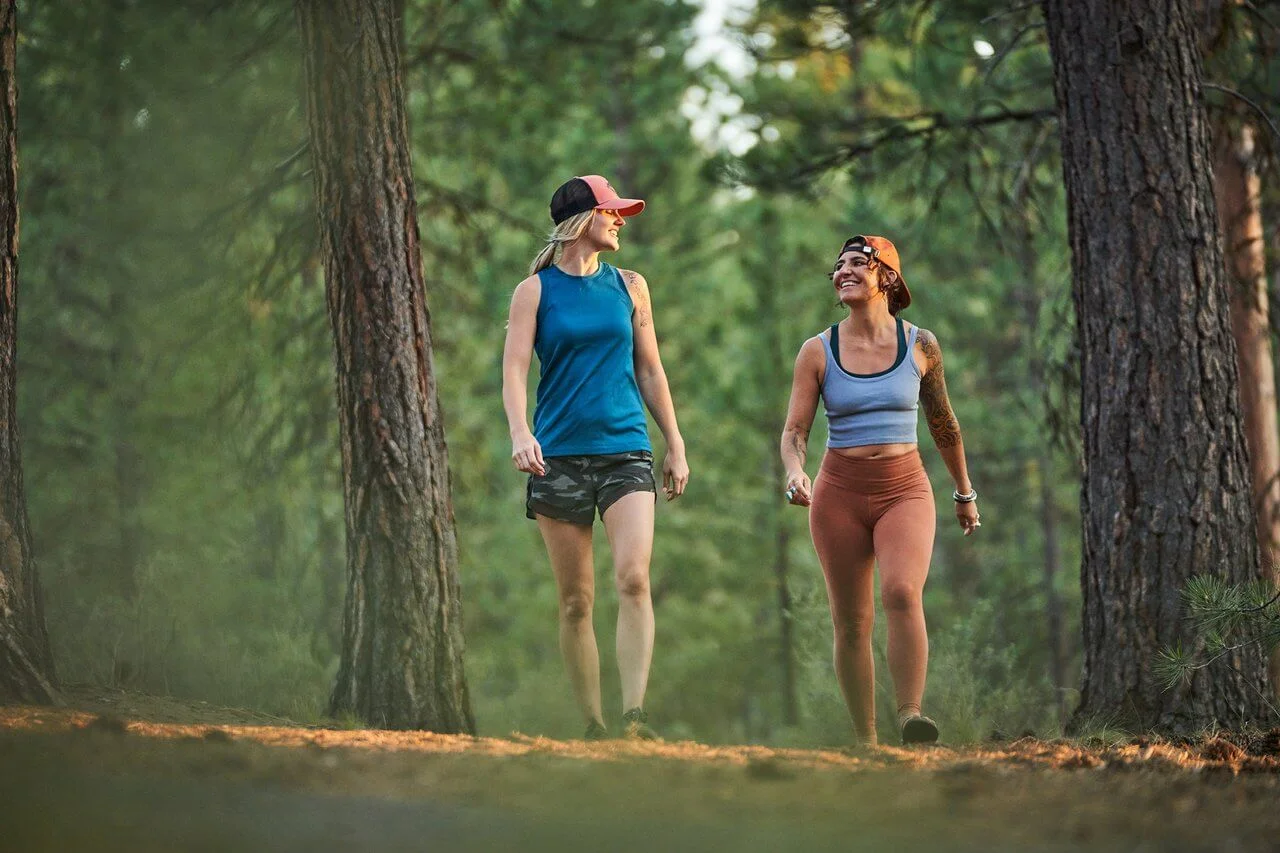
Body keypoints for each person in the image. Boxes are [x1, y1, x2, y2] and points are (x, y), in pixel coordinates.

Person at [502, 175, 689, 741]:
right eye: (611, 211)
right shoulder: (534, 292)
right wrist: (520, 432)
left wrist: (675, 442)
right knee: (576, 602)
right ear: (582, 220)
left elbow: (650, 369)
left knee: (633, 579)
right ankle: (592, 722)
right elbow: (513, 368)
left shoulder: (631, 286)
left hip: (625, 450)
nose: (620, 220)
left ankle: (635, 715)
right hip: (555, 457)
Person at [779, 235, 978, 747]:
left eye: (857, 263)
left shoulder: (921, 345)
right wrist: (794, 470)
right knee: (850, 621)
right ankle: (865, 739)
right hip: (838, 494)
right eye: (838, 266)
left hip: (904, 490)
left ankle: (910, 713)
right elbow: (796, 430)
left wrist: (963, 491)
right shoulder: (817, 350)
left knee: (901, 592)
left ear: (886, 277)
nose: (843, 271)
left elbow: (943, 423)